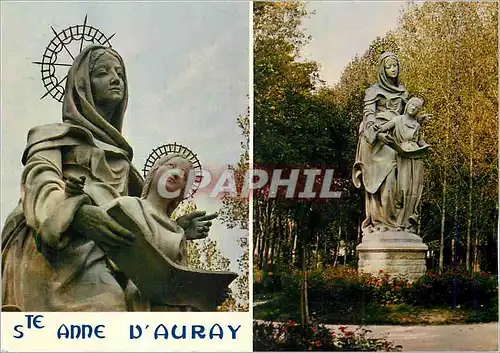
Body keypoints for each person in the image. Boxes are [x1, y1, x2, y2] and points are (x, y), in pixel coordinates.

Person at [1, 45, 211, 312]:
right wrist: (77, 214)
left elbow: (140, 215)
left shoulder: (123, 161)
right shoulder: (54, 136)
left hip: (107, 253)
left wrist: (175, 228)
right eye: (103, 72)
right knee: (108, 308)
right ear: (82, 84)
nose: (115, 79)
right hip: (58, 247)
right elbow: (39, 181)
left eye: (120, 74)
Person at [352, 52, 409, 234]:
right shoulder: (373, 91)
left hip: (396, 138)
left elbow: (407, 114)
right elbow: (368, 115)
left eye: (395, 66)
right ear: (382, 70)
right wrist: (376, 134)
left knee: (399, 179)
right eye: (389, 66)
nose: (393, 69)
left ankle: (395, 222)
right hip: (376, 140)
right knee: (383, 180)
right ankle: (380, 221)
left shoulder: (403, 92)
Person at [375, 97, 431, 231]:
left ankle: (408, 220)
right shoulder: (398, 120)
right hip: (402, 154)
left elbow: (419, 140)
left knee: (414, 187)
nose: (413, 108)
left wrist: (427, 146)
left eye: (417, 108)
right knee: (403, 187)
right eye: (412, 105)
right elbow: (383, 128)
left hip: (416, 156)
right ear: (407, 106)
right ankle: (398, 219)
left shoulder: (416, 125)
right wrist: (378, 129)